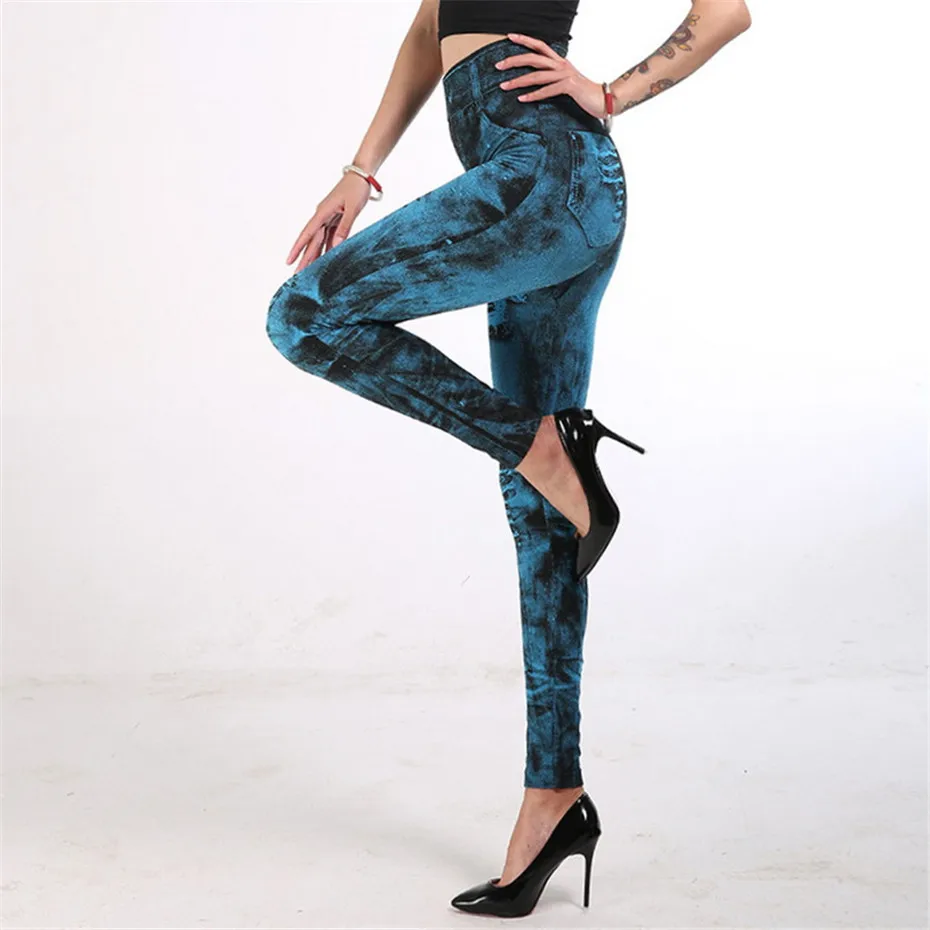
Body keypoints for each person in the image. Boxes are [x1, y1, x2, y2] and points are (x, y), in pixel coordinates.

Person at [265, 0, 751, 917]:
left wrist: (610, 93)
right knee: (544, 516)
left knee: (305, 316)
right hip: (536, 185)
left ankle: (544, 447)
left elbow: (724, 12)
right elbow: (429, 26)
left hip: (546, 176)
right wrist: (358, 173)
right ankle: (554, 795)